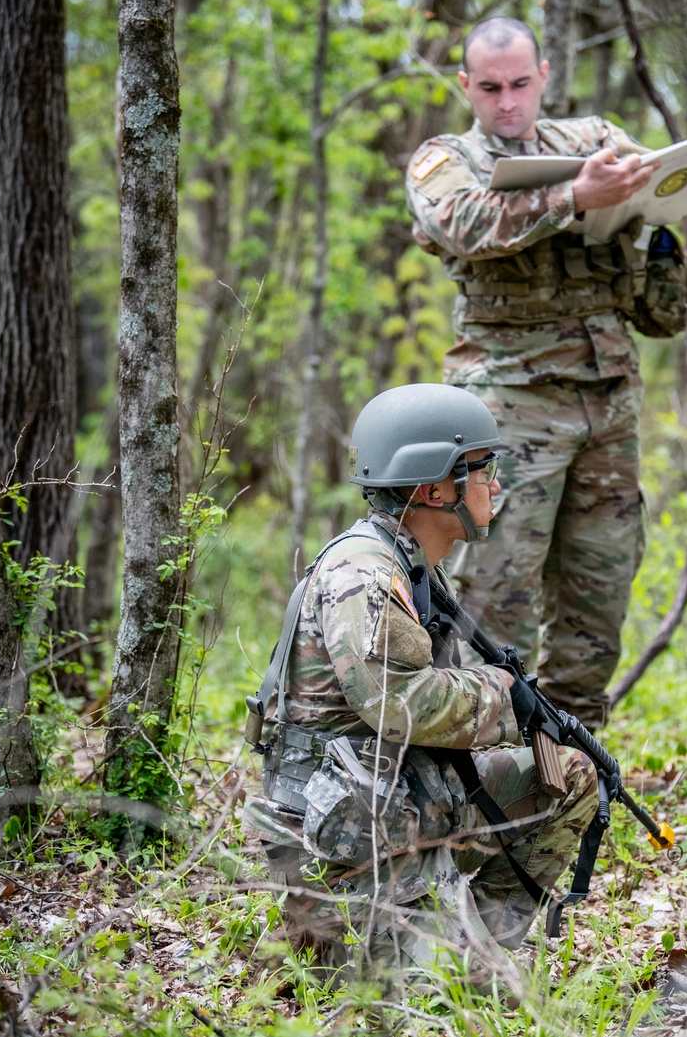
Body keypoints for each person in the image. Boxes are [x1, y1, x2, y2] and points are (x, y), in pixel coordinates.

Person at [241, 383, 598, 984]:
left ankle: (477, 949)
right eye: (482, 469)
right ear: (434, 488)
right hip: (343, 833)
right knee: (443, 1007)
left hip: (389, 800)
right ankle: (354, 939)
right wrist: (502, 696)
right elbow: (396, 704)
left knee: (571, 775)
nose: (496, 484)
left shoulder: (409, 566)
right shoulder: (364, 575)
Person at [405, 17, 687, 729]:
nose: (508, 101)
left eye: (521, 84)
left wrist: (649, 214)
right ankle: (490, 764)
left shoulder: (592, 141)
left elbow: (658, 262)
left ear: (545, 76)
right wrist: (571, 201)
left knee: (599, 593)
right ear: (467, 85)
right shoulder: (446, 158)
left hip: (607, 403)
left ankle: (573, 767)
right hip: (508, 407)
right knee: (496, 594)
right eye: (491, 87)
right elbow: (461, 223)